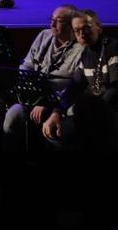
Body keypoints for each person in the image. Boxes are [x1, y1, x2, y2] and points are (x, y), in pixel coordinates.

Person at [1, 5, 82, 150]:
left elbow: (75, 86)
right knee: (12, 118)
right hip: (33, 95)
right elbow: (26, 66)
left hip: (61, 102)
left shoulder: (81, 48)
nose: (52, 24)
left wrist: (46, 102)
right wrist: (31, 91)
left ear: (72, 25)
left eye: (59, 21)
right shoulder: (44, 35)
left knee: (55, 132)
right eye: (51, 19)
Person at [42, 10, 118, 144]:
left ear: (98, 27)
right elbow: (73, 88)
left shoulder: (113, 48)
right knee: (54, 129)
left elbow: (115, 88)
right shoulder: (86, 54)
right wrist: (56, 112)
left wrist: (92, 113)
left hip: (110, 113)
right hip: (95, 113)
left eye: (86, 29)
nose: (82, 34)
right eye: (77, 31)